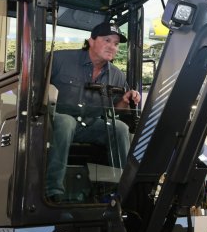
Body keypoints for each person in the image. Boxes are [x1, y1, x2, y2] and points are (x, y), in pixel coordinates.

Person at [46, 21, 141, 202]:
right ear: (91, 41)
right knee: (66, 122)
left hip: (90, 125)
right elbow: (31, 86)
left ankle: (122, 190)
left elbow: (116, 111)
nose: (112, 47)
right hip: (55, 122)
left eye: (116, 44)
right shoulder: (58, 60)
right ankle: (53, 191)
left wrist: (124, 99)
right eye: (107, 40)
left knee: (120, 128)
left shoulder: (117, 75)